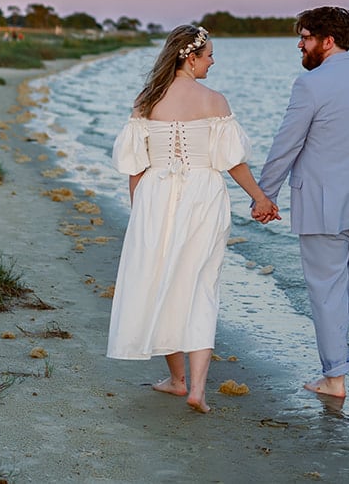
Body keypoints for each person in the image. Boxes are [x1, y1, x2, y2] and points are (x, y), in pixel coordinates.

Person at [106, 25, 278, 413]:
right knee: (201, 284)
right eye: (209, 55)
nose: (213, 61)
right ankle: (197, 388)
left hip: (155, 195)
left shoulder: (146, 101)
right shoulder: (214, 101)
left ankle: (177, 380)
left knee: (163, 280)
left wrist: (140, 212)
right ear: (190, 57)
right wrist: (260, 197)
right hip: (202, 196)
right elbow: (233, 162)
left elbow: (136, 167)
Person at [254, 6, 349, 399]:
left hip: (322, 204)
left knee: (326, 289)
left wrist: (265, 194)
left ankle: (335, 379)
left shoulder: (311, 85)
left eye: (304, 37)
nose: (299, 45)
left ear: (327, 41)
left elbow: (287, 143)